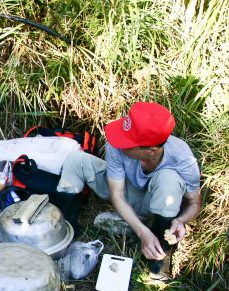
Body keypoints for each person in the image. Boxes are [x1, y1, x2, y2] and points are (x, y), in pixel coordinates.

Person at [57, 102, 202, 279]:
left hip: (159, 204)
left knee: (168, 178)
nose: (119, 143)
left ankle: (158, 256)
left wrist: (181, 220)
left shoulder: (182, 158)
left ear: (151, 151)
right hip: (126, 194)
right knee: (76, 160)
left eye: (128, 143)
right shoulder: (117, 144)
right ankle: (66, 236)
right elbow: (116, 194)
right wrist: (142, 232)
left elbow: (194, 203)